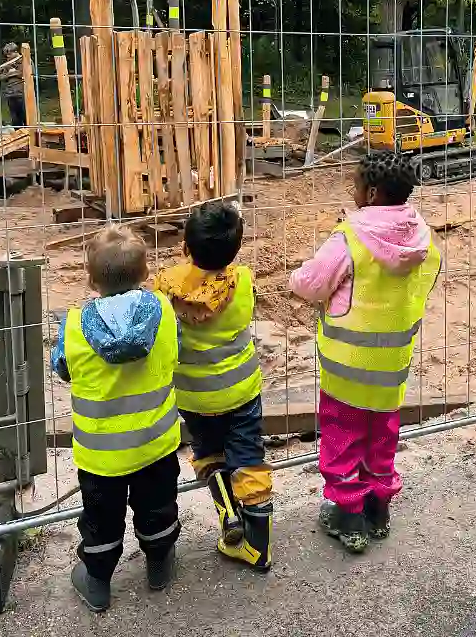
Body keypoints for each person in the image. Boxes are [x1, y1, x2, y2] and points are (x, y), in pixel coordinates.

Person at [289, 151, 441, 554]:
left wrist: (297, 278)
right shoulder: (422, 237)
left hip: (347, 366)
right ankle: (379, 509)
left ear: (371, 192)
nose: (351, 191)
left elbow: (311, 283)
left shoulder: (349, 237)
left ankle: (349, 516)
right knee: (382, 434)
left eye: (355, 185)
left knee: (342, 434)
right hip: (393, 364)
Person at [51, 225, 181, 612]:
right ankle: (159, 563)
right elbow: (174, 354)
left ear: (91, 278)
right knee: (158, 504)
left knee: (100, 518)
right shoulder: (164, 311)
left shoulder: (74, 325)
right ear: (145, 274)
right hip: (154, 444)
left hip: (101, 454)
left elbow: (63, 368)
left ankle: (97, 581)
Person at [155, 201, 272, 572]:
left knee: (208, 453)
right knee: (248, 456)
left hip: (193, 395)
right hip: (241, 391)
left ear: (186, 247)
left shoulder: (166, 287)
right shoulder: (244, 281)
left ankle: (228, 513)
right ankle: (259, 546)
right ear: (235, 250)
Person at [0, 42, 26, 127]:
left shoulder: (25, 60)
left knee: (25, 116)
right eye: (6, 55)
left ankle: (29, 135)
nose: (7, 56)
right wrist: (7, 70)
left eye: (9, 54)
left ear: (15, 52)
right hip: (10, 94)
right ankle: (18, 135)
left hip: (22, 93)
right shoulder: (8, 63)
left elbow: (29, 74)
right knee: (15, 119)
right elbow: (3, 77)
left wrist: (14, 72)